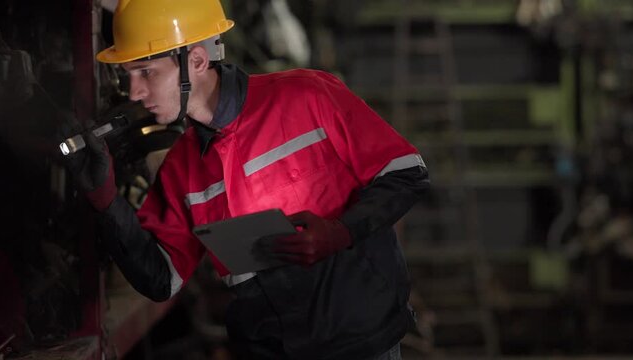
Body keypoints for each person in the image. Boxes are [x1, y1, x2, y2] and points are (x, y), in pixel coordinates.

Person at [63, 0, 430, 359]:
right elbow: (161, 278)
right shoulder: (182, 168)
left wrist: (341, 231)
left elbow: (406, 172)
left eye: (147, 72)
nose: (134, 92)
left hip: (361, 341)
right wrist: (106, 199)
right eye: (127, 75)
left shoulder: (308, 96)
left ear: (197, 60)